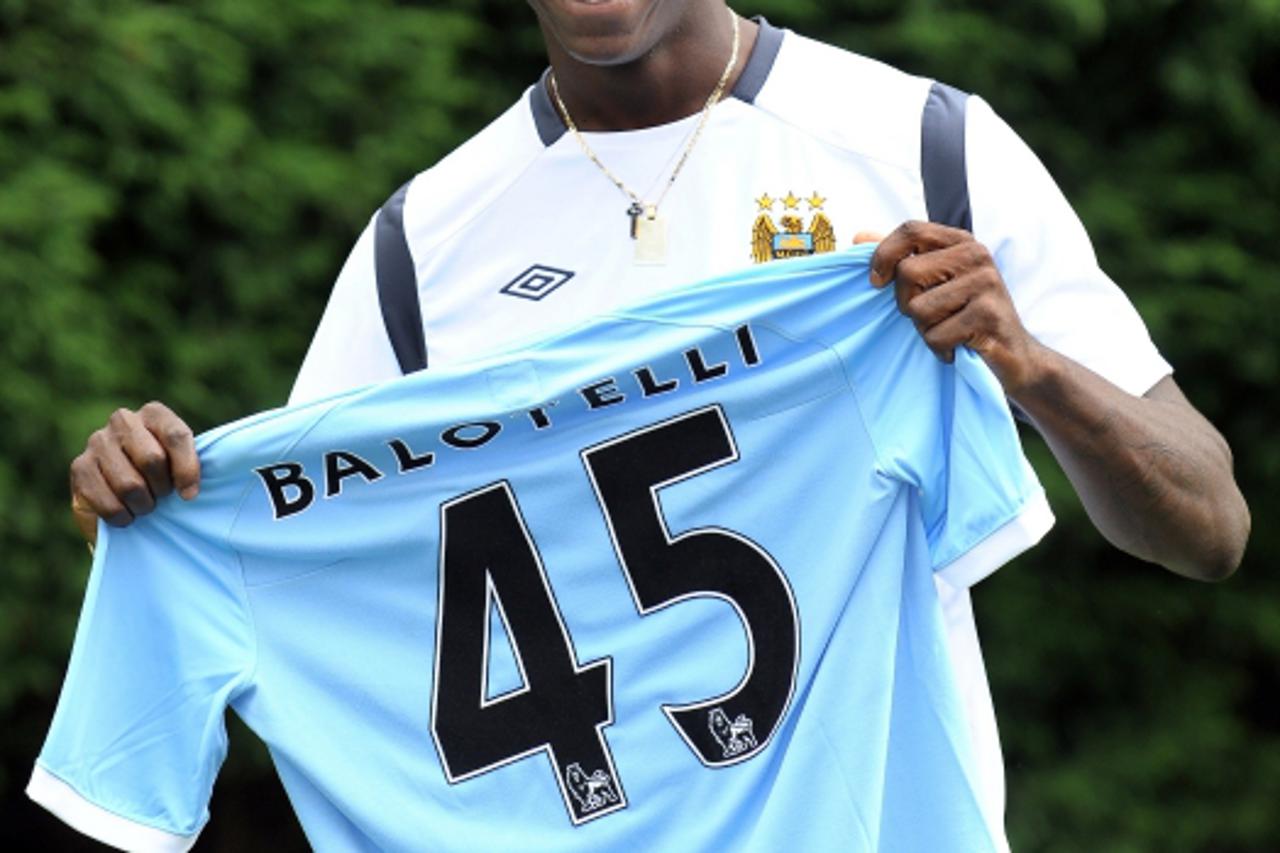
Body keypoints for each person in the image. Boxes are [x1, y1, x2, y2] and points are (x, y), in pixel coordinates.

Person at [65, 0, 1249, 847]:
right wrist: (157, 502)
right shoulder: (418, 250)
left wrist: (1028, 366)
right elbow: (304, 566)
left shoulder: (924, 146)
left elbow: (1206, 525)